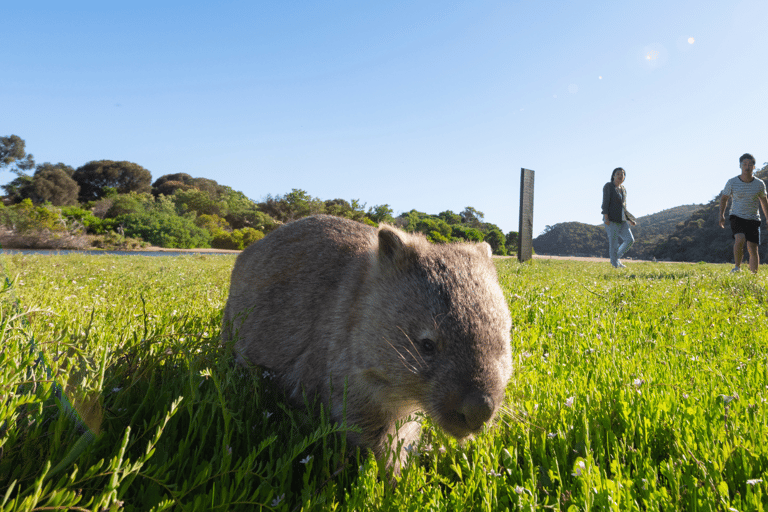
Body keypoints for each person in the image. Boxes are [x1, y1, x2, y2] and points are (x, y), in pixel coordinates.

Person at [718, 153, 768, 273]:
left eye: (750, 165)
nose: (747, 167)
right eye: (744, 164)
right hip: (737, 216)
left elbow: (764, 201)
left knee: (752, 247)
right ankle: (737, 267)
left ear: (754, 167)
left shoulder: (759, 184)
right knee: (739, 239)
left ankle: (753, 275)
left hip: (753, 218)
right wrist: (721, 215)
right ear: (740, 166)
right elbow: (724, 198)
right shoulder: (732, 182)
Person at [601, 167, 636, 268]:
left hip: (622, 220)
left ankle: (616, 258)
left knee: (630, 240)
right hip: (611, 219)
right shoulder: (608, 186)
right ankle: (615, 265)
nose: (621, 176)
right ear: (613, 176)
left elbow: (624, 207)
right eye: (618, 174)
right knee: (614, 243)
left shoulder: (623, 189)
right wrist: (606, 217)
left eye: (623, 174)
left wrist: (629, 219)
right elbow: (605, 202)